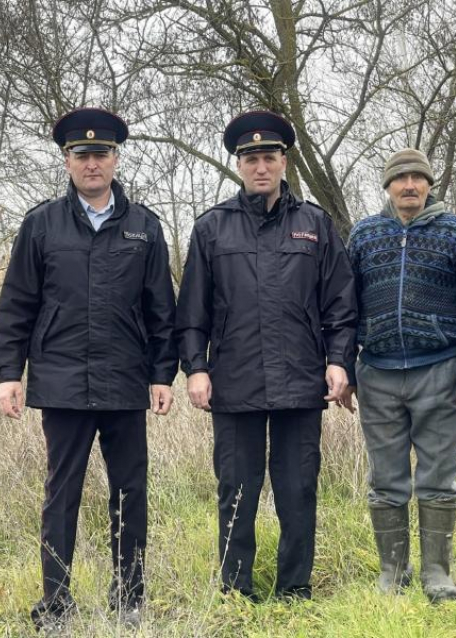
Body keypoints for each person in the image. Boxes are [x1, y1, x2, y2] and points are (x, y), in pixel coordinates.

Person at [0, 107, 178, 631]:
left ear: (116, 159)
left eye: (101, 154)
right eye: (81, 155)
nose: (91, 163)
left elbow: (161, 308)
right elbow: (17, 305)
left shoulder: (144, 226)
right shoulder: (41, 224)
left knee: (130, 492)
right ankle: (56, 602)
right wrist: (9, 372)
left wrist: (163, 374)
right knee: (62, 493)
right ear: (67, 160)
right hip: (62, 382)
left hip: (124, 382)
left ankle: (130, 597)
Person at [175, 110, 357, 601]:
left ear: (283, 162)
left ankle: (294, 588)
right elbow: (192, 310)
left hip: (301, 383)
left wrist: (339, 361)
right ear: (239, 165)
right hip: (234, 385)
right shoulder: (212, 228)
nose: (261, 166)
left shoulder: (314, 224)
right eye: (251, 158)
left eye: (269, 157)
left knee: (299, 492)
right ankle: (235, 589)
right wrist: (195, 367)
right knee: (237, 491)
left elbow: (341, 304)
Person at [343, 149, 456, 602]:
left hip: (440, 370)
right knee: (386, 479)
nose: (409, 185)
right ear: (387, 185)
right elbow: (346, 307)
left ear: (428, 184)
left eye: (417, 178)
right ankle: (393, 572)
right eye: (400, 178)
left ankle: (438, 573)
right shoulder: (364, 235)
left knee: (439, 477)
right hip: (378, 374)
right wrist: (344, 366)